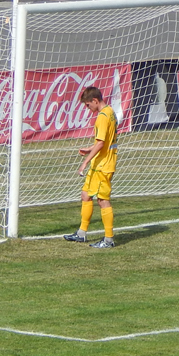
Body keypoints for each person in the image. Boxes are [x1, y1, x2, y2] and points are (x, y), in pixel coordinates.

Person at [63, 87, 118, 248]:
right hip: (99, 163)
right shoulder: (110, 111)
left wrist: (85, 161)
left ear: (95, 100)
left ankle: (109, 240)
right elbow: (104, 141)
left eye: (88, 105)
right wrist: (89, 149)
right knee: (85, 195)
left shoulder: (102, 117)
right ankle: (81, 234)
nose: (88, 109)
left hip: (103, 165)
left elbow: (101, 143)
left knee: (103, 200)